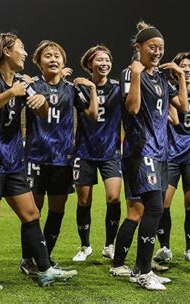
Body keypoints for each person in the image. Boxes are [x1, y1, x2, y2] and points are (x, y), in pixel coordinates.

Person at [0, 33, 77, 290]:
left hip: (13, 162)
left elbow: (41, 112)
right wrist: (12, 92)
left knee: (31, 213)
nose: (24, 54)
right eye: (21, 49)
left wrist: (41, 101)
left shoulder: (23, 81)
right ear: (6, 52)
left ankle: (44, 270)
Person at [110, 21, 188, 291]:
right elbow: (131, 109)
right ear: (138, 48)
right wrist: (134, 74)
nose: (157, 52)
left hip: (160, 152)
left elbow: (184, 107)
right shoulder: (130, 73)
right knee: (154, 207)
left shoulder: (161, 78)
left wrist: (179, 76)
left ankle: (136, 268)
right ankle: (143, 272)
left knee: (149, 209)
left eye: (161, 48)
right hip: (140, 151)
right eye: (152, 47)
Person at [21, 40, 84, 272]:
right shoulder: (30, 85)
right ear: (38, 62)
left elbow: (91, 114)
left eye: (57, 55)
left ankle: (45, 257)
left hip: (63, 159)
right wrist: (22, 81)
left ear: (64, 61)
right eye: (48, 56)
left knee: (57, 211)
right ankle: (27, 259)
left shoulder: (72, 89)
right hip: (36, 158)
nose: (53, 59)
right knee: (32, 213)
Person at [153, 52, 190, 264]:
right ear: (175, 71)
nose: (186, 69)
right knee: (162, 203)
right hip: (170, 155)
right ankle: (165, 247)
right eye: (182, 66)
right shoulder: (167, 93)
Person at [71, 45, 123, 262]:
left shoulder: (119, 88)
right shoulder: (79, 88)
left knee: (113, 197)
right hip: (84, 151)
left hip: (111, 151)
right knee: (84, 201)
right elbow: (91, 115)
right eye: (99, 60)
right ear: (90, 64)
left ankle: (110, 245)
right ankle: (85, 246)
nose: (104, 64)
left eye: (107, 60)